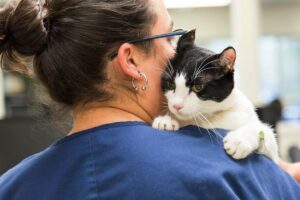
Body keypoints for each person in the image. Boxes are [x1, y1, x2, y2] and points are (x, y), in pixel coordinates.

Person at [0, 0, 299, 199]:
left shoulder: (11, 188)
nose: (176, 53)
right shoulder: (239, 173)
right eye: (169, 37)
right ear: (130, 60)